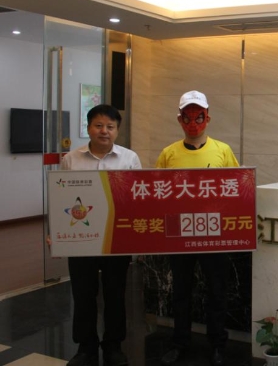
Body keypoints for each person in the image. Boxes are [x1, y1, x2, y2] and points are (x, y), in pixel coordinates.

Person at [158, 90, 239, 366]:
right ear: (179, 119)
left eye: (199, 117)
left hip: (213, 233)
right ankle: (180, 342)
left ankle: (217, 344)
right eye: (187, 117)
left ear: (208, 118)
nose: (193, 123)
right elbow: (156, 194)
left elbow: (236, 190)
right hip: (178, 233)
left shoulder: (223, 151)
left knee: (217, 290)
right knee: (181, 291)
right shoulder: (168, 154)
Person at [61, 104, 142, 366]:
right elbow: (60, 198)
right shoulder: (71, 159)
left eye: (110, 126)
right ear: (88, 128)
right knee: (83, 294)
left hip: (116, 237)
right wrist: (56, 234)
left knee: (115, 294)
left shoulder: (129, 159)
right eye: (98, 125)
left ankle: (113, 346)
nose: (104, 131)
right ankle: (85, 347)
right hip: (80, 239)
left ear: (117, 130)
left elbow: (137, 199)